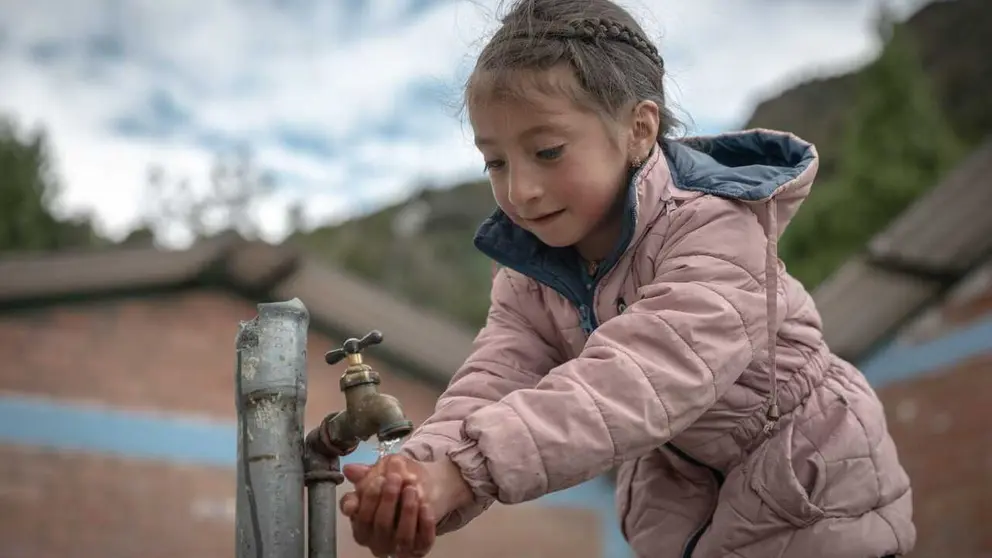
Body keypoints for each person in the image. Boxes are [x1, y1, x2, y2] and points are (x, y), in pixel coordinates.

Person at [336, 0, 916, 556]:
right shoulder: (530, 274)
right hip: (691, 501)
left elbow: (639, 375)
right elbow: (496, 375)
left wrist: (464, 471)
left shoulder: (716, 227)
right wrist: (416, 475)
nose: (519, 190)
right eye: (495, 161)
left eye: (547, 151)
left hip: (816, 490)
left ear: (639, 129)